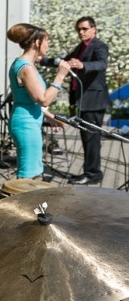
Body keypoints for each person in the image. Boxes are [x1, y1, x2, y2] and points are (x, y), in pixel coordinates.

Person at [40, 16, 111, 185]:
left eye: (84, 28)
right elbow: (63, 62)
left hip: (93, 101)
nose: (81, 32)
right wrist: (41, 60)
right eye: (79, 29)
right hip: (81, 100)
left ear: (94, 29)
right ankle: (90, 171)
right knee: (86, 138)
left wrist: (83, 65)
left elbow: (102, 64)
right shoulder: (81, 47)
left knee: (91, 139)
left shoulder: (99, 46)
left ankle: (93, 174)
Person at [6, 23, 71, 180]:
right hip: (26, 124)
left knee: (34, 172)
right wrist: (60, 75)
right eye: (46, 40)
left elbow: (30, 100)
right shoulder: (26, 68)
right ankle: (15, 204)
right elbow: (43, 99)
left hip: (30, 121)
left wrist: (49, 116)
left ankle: (25, 204)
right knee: (28, 175)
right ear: (37, 42)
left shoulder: (27, 65)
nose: (48, 44)